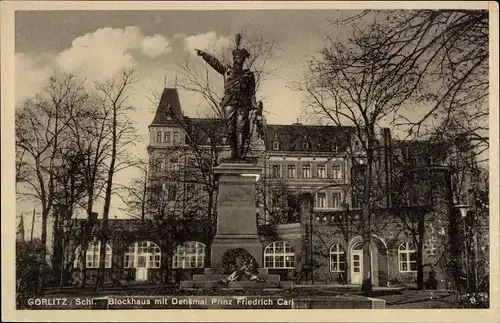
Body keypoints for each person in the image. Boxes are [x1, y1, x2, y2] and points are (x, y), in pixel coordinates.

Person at [195, 34, 259, 160]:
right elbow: (215, 63)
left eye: (239, 58)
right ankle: (233, 153)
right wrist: (204, 55)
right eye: (235, 58)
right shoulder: (227, 70)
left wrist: (255, 105)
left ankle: (239, 155)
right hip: (229, 102)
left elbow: (252, 93)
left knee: (241, 128)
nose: (237, 60)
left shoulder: (249, 75)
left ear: (243, 60)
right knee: (230, 129)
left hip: (243, 103)